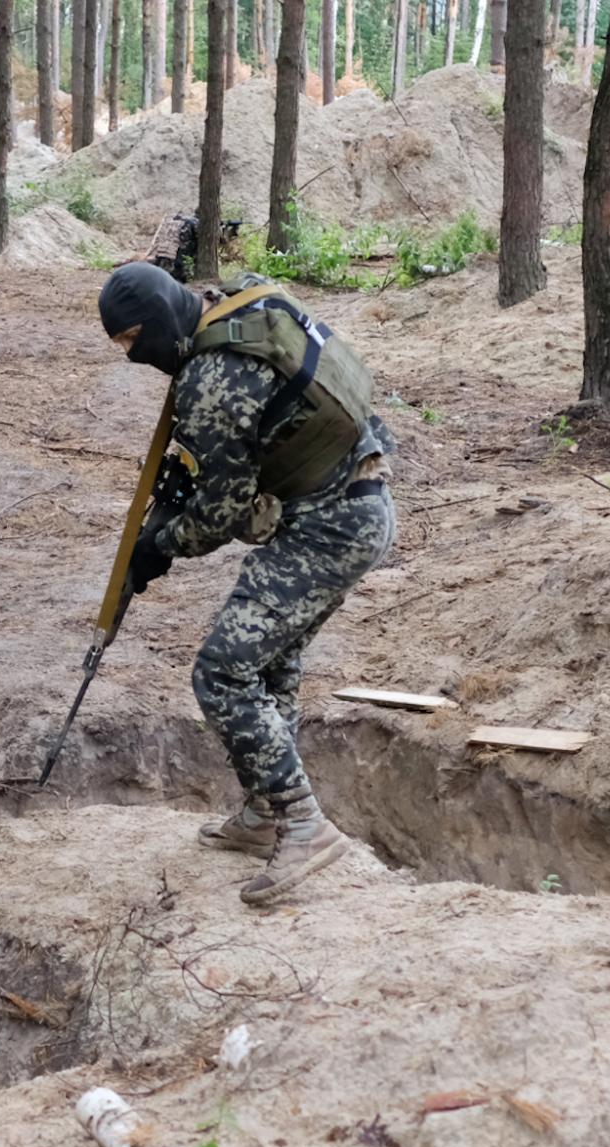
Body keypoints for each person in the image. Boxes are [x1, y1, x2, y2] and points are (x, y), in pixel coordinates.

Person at [98, 262, 397, 906]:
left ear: (156, 324)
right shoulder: (239, 301)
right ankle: (264, 814)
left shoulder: (212, 379)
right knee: (270, 660)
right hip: (357, 495)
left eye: (131, 342)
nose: (130, 358)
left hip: (331, 522)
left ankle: (302, 822)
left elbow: (221, 515)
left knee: (222, 672)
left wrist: (159, 547)